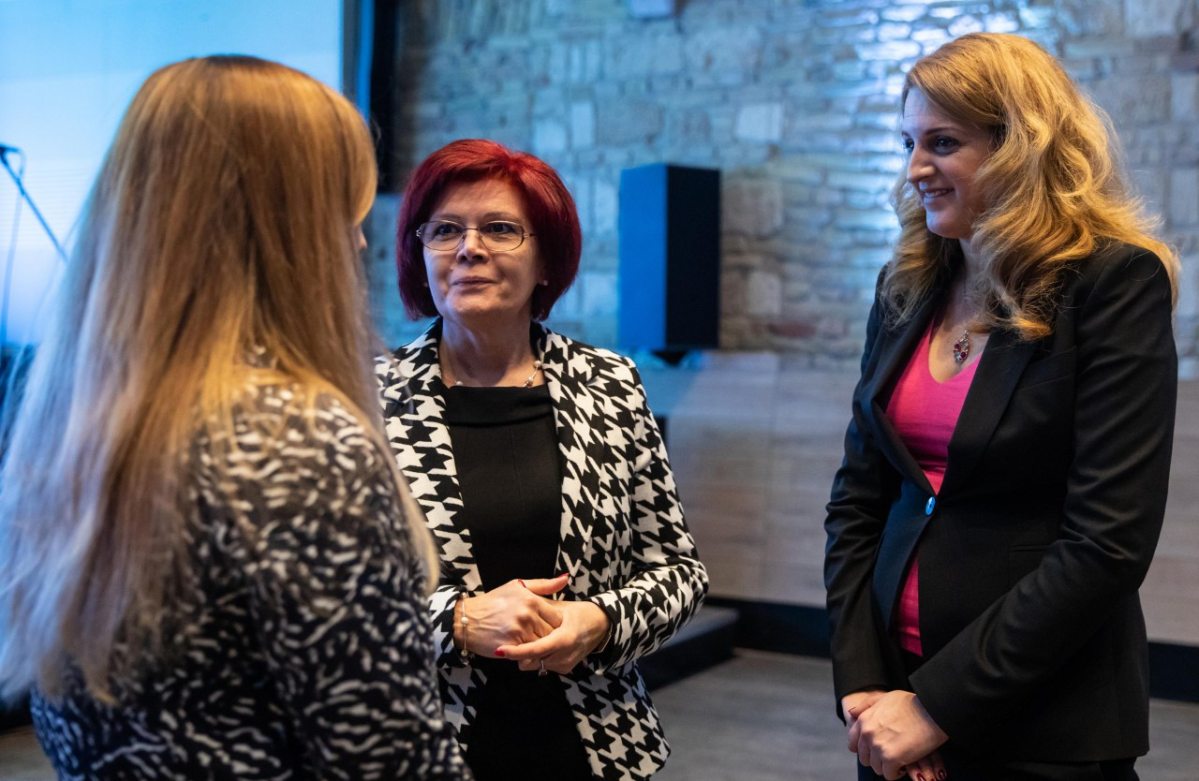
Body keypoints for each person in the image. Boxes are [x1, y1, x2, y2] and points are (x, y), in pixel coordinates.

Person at [0, 56, 467, 779]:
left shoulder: (75, 422)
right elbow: (390, 758)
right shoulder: (297, 441)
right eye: (342, 211)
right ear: (282, 228)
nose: (358, 243)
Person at [823, 33, 1179, 781]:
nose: (915, 169)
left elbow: (1107, 543)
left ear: (1020, 146)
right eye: (909, 143)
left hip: (1044, 714)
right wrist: (862, 679)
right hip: (890, 703)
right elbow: (859, 497)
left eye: (942, 143)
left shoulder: (1112, 283)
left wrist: (937, 706)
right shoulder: (905, 285)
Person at [377, 138, 708, 780]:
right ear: (420, 255)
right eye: (444, 230)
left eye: (500, 229)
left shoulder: (610, 382)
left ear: (547, 260)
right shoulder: (367, 397)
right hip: (418, 746)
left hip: (592, 745)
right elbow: (328, 602)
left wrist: (600, 620)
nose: (469, 248)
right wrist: (457, 620)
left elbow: (679, 572)